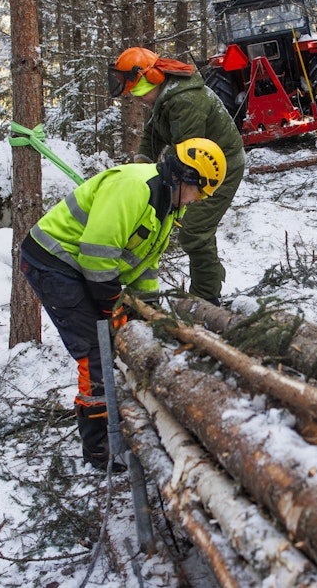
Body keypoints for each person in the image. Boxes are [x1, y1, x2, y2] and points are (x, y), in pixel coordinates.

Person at [19, 138, 227, 471]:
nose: (198, 199)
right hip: (53, 261)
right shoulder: (134, 188)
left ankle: (115, 421)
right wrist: (110, 303)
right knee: (94, 350)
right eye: (199, 191)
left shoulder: (169, 204)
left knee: (113, 337)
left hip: (81, 269)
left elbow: (145, 263)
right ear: (184, 177)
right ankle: (99, 447)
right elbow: (97, 251)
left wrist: (146, 311)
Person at [109, 47, 245, 306]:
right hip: (198, 164)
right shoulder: (165, 98)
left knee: (194, 230)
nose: (139, 100)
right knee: (190, 227)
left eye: (139, 93)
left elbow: (186, 157)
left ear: (155, 79)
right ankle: (207, 286)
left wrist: (158, 187)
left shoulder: (184, 101)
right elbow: (152, 135)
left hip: (222, 167)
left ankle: (206, 298)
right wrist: (140, 167)